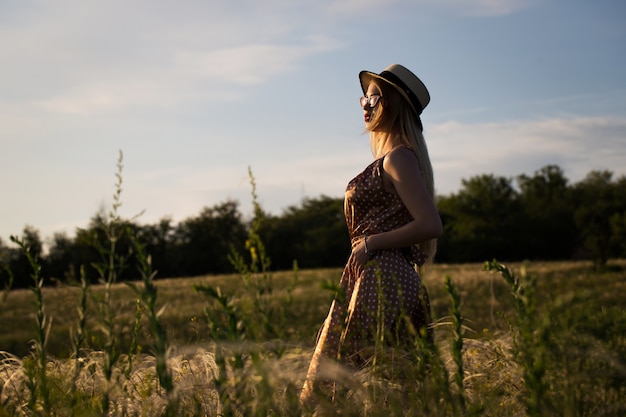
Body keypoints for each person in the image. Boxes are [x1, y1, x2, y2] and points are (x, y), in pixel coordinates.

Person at [300, 64, 443, 404]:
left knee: (349, 381)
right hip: (376, 275)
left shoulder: (397, 159)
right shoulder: (394, 158)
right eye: (365, 98)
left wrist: (371, 243)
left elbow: (431, 224)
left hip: (383, 277)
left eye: (375, 98)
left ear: (394, 104)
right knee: (383, 383)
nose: (366, 105)